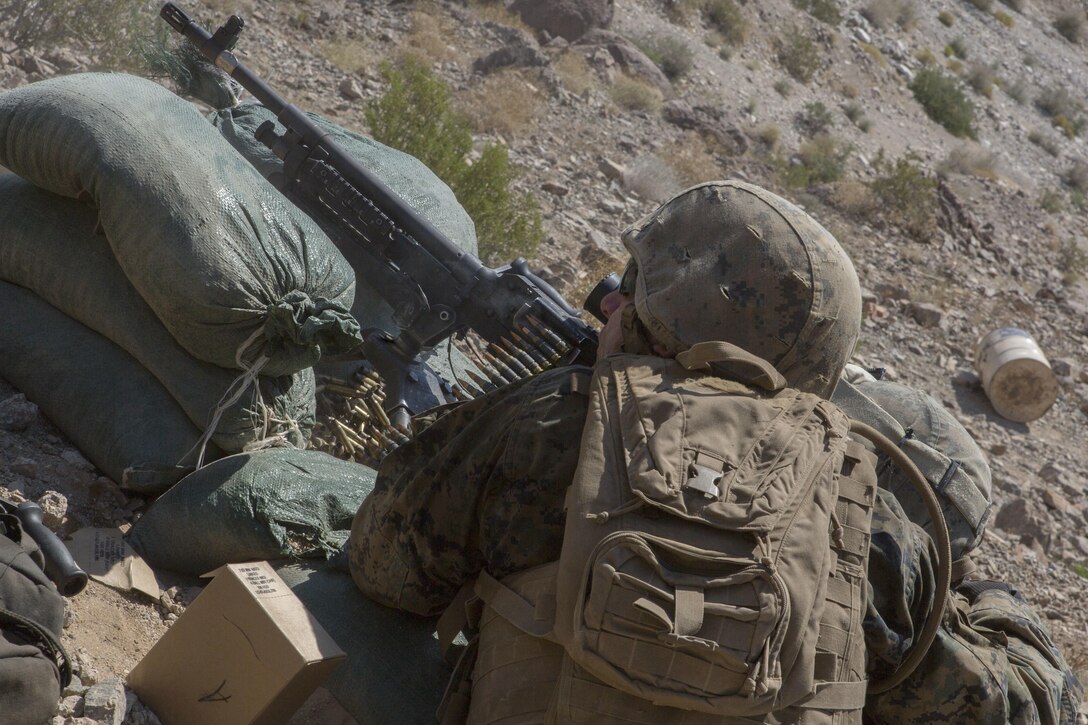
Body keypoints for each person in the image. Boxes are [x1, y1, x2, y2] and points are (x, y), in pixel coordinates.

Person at [349, 180, 1080, 723]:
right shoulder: (871, 523)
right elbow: (1015, 706)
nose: (608, 304)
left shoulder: (544, 425)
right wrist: (990, 599)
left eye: (630, 293)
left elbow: (382, 568)